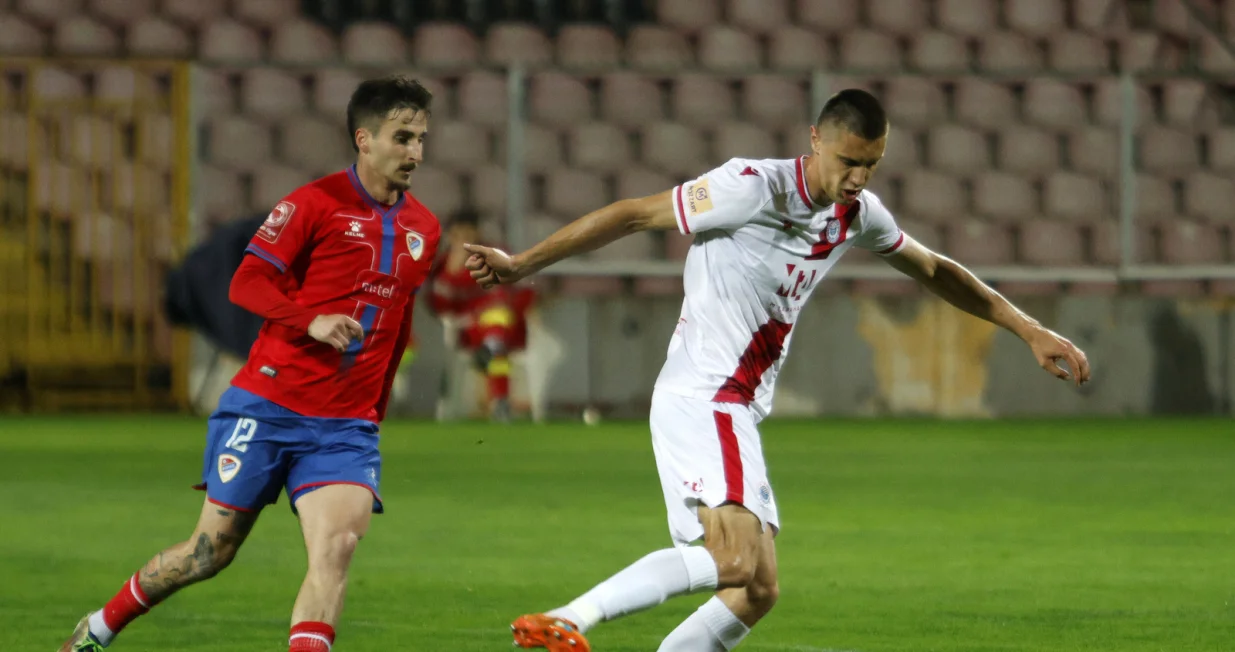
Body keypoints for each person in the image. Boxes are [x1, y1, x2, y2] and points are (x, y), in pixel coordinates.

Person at [464, 89, 1091, 652]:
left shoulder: (856, 214)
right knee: (736, 560)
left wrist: (1029, 329)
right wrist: (522, 264)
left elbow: (933, 269)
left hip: (732, 405)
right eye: (848, 160)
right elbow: (633, 213)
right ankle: (570, 618)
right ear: (815, 140)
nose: (858, 177)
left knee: (757, 589)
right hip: (707, 395)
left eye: (872, 164)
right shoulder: (750, 187)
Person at [59, 75, 441, 652]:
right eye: (402, 138)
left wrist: (375, 409)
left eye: (421, 139)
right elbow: (246, 282)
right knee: (209, 553)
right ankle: (99, 628)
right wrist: (309, 320)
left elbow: (400, 317)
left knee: (336, 549)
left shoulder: (424, 227)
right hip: (267, 407)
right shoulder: (311, 204)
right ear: (364, 140)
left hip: (345, 426)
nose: (415, 152)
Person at [426, 209, 536, 422]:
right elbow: (441, 307)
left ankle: (491, 351)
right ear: (450, 236)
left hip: (506, 325)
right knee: (497, 341)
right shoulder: (442, 263)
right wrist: (452, 271)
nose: (463, 239)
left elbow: (522, 291)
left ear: (477, 233)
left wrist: (513, 308)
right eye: (458, 234)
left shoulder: (495, 255)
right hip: (467, 329)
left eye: (468, 233)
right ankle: (500, 399)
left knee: (497, 318)